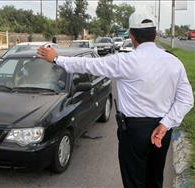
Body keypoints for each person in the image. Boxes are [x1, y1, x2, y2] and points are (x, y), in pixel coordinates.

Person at [37, 11, 194, 188]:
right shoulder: (174, 62)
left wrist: (56, 58)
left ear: (132, 36)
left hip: (133, 132)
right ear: (155, 34)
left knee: (134, 181)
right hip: (161, 132)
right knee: (155, 179)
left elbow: (88, 65)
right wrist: (165, 124)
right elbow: (186, 99)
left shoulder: (125, 61)